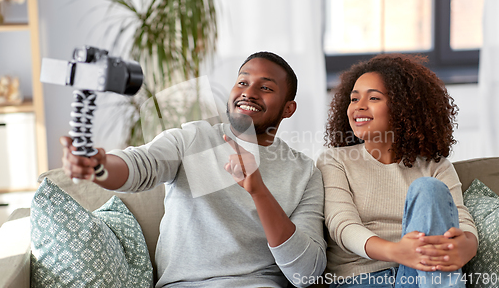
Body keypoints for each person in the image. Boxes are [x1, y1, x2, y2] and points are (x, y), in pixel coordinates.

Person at [61, 51, 327, 288]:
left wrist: (259, 192)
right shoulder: (192, 139)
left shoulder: (305, 173)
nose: (249, 92)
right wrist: (99, 166)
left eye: (266, 88)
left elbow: (306, 273)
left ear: (288, 108)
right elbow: (141, 165)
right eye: (243, 82)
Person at [316, 54, 478, 288]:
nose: (358, 106)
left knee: (429, 189)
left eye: (373, 97)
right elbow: (342, 226)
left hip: (422, 277)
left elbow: (460, 219)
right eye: (353, 99)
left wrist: (468, 245)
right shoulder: (335, 160)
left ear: (403, 107)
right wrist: (398, 252)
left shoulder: (435, 165)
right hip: (361, 280)